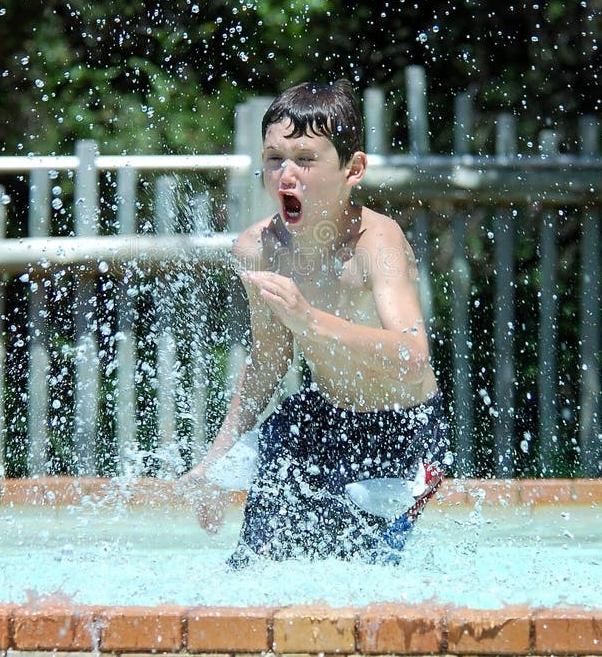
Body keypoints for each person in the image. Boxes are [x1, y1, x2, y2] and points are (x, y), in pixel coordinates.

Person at [180, 78, 449, 566]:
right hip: (321, 418)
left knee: (360, 572)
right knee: (255, 564)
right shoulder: (258, 249)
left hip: (404, 433)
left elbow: (413, 356)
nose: (287, 175)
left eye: (306, 159)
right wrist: (214, 462)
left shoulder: (376, 242)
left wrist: (310, 320)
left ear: (354, 168)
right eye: (274, 159)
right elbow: (268, 361)